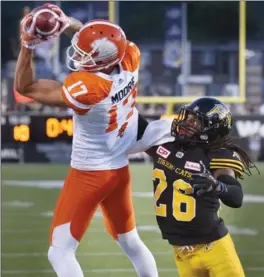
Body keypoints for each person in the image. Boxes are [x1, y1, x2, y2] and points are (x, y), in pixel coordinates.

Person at [15, 4, 173, 277]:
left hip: (91, 172)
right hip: (120, 164)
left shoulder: (89, 88)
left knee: (60, 251)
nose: (77, 55)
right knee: (130, 241)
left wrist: (28, 44)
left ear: (101, 61)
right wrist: (68, 24)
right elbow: (104, 38)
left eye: (84, 54)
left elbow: (25, 87)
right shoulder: (129, 57)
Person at [143, 97, 259, 277]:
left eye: (194, 121)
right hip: (181, 251)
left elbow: (236, 197)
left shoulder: (214, 156)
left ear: (211, 129)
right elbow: (134, 126)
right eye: (187, 117)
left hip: (214, 248)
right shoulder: (165, 144)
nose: (185, 123)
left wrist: (217, 186)